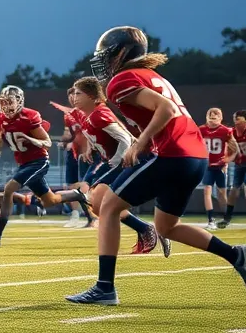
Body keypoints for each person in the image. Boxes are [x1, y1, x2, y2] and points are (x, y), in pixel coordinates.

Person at [66, 27, 246, 305]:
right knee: (167, 226)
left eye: (106, 55)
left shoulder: (121, 80)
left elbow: (165, 109)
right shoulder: (152, 75)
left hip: (172, 153)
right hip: (195, 156)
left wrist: (139, 143)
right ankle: (236, 255)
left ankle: (105, 288)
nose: (102, 61)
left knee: (106, 207)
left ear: (120, 53)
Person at [53, 77, 164, 256]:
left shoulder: (99, 113)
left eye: (78, 93)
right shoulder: (86, 115)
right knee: (98, 206)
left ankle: (143, 232)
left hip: (129, 159)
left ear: (92, 96)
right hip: (113, 161)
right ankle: (144, 229)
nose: (74, 97)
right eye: (72, 93)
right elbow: (97, 135)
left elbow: (125, 138)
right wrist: (90, 149)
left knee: (96, 200)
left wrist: (118, 160)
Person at [0, 86, 56, 248]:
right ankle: (78, 195)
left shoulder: (29, 117)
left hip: (39, 161)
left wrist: (31, 139)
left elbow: (47, 142)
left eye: (9, 102)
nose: (6, 106)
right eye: (3, 102)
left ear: (19, 101)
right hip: (23, 163)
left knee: (9, 189)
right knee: (50, 200)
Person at [197, 107, 237, 230]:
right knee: (207, 191)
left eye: (215, 116)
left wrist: (228, 160)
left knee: (222, 194)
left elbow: (235, 149)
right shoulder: (201, 130)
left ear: (220, 118)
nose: (212, 118)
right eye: (210, 116)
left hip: (220, 166)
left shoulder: (225, 131)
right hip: (207, 166)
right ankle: (210, 219)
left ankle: (226, 217)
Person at [60, 89, 94, 228]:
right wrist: (65, 142)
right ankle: (75, 216)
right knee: (72, 185)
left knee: (85, 186)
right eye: (71, 96)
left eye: (76, 95)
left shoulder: (90, 112)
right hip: (73, 153)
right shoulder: (69, 115)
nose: (73, 98)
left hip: (88, 153)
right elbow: (68, 134)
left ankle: (93, 217)